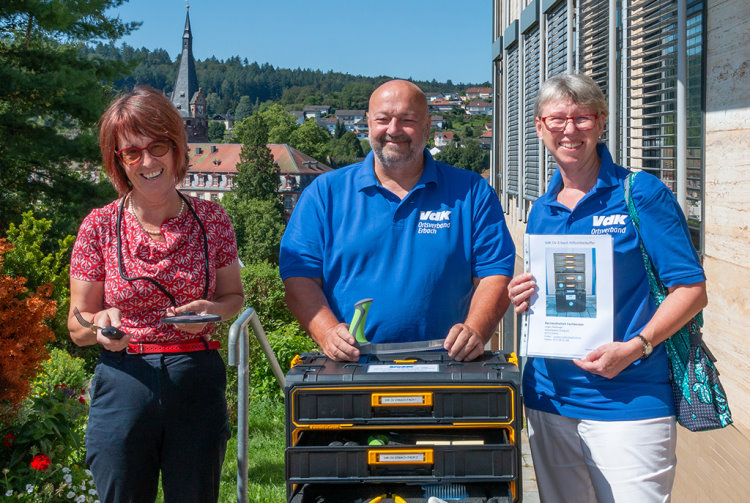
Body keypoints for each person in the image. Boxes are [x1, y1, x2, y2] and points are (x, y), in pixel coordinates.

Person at [507, 73, 707, 502]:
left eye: (582, 117)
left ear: (601, 123)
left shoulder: (641, 193)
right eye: (557, 119)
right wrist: (523, 294)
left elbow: (691, 290)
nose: (570, 129)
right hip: (549, 398)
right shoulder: (541, 208)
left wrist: (636, 347)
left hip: (630, 399)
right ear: (541, 128)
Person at [67, 86, 244, 503]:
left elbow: (233, 297)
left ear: (177, 148)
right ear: (119, 161)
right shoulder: (98, 226)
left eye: (158, 146)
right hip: (123, 378)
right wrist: (102, 324)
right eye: (131, 152)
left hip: (195, 376)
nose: (147, 161)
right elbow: (77, 323)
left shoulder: (213, 218)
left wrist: (212, 310)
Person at [280, 79, 515, 362]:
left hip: (448, 366)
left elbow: (495, 275)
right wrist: (327, 332)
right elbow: (299, 278)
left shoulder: (471, 192)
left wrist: (476, 329)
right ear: (368, 124)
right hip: (353, 368)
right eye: (383, 119)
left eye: (407, 120)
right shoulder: (325, 194)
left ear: (428, 127)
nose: (393, 130)